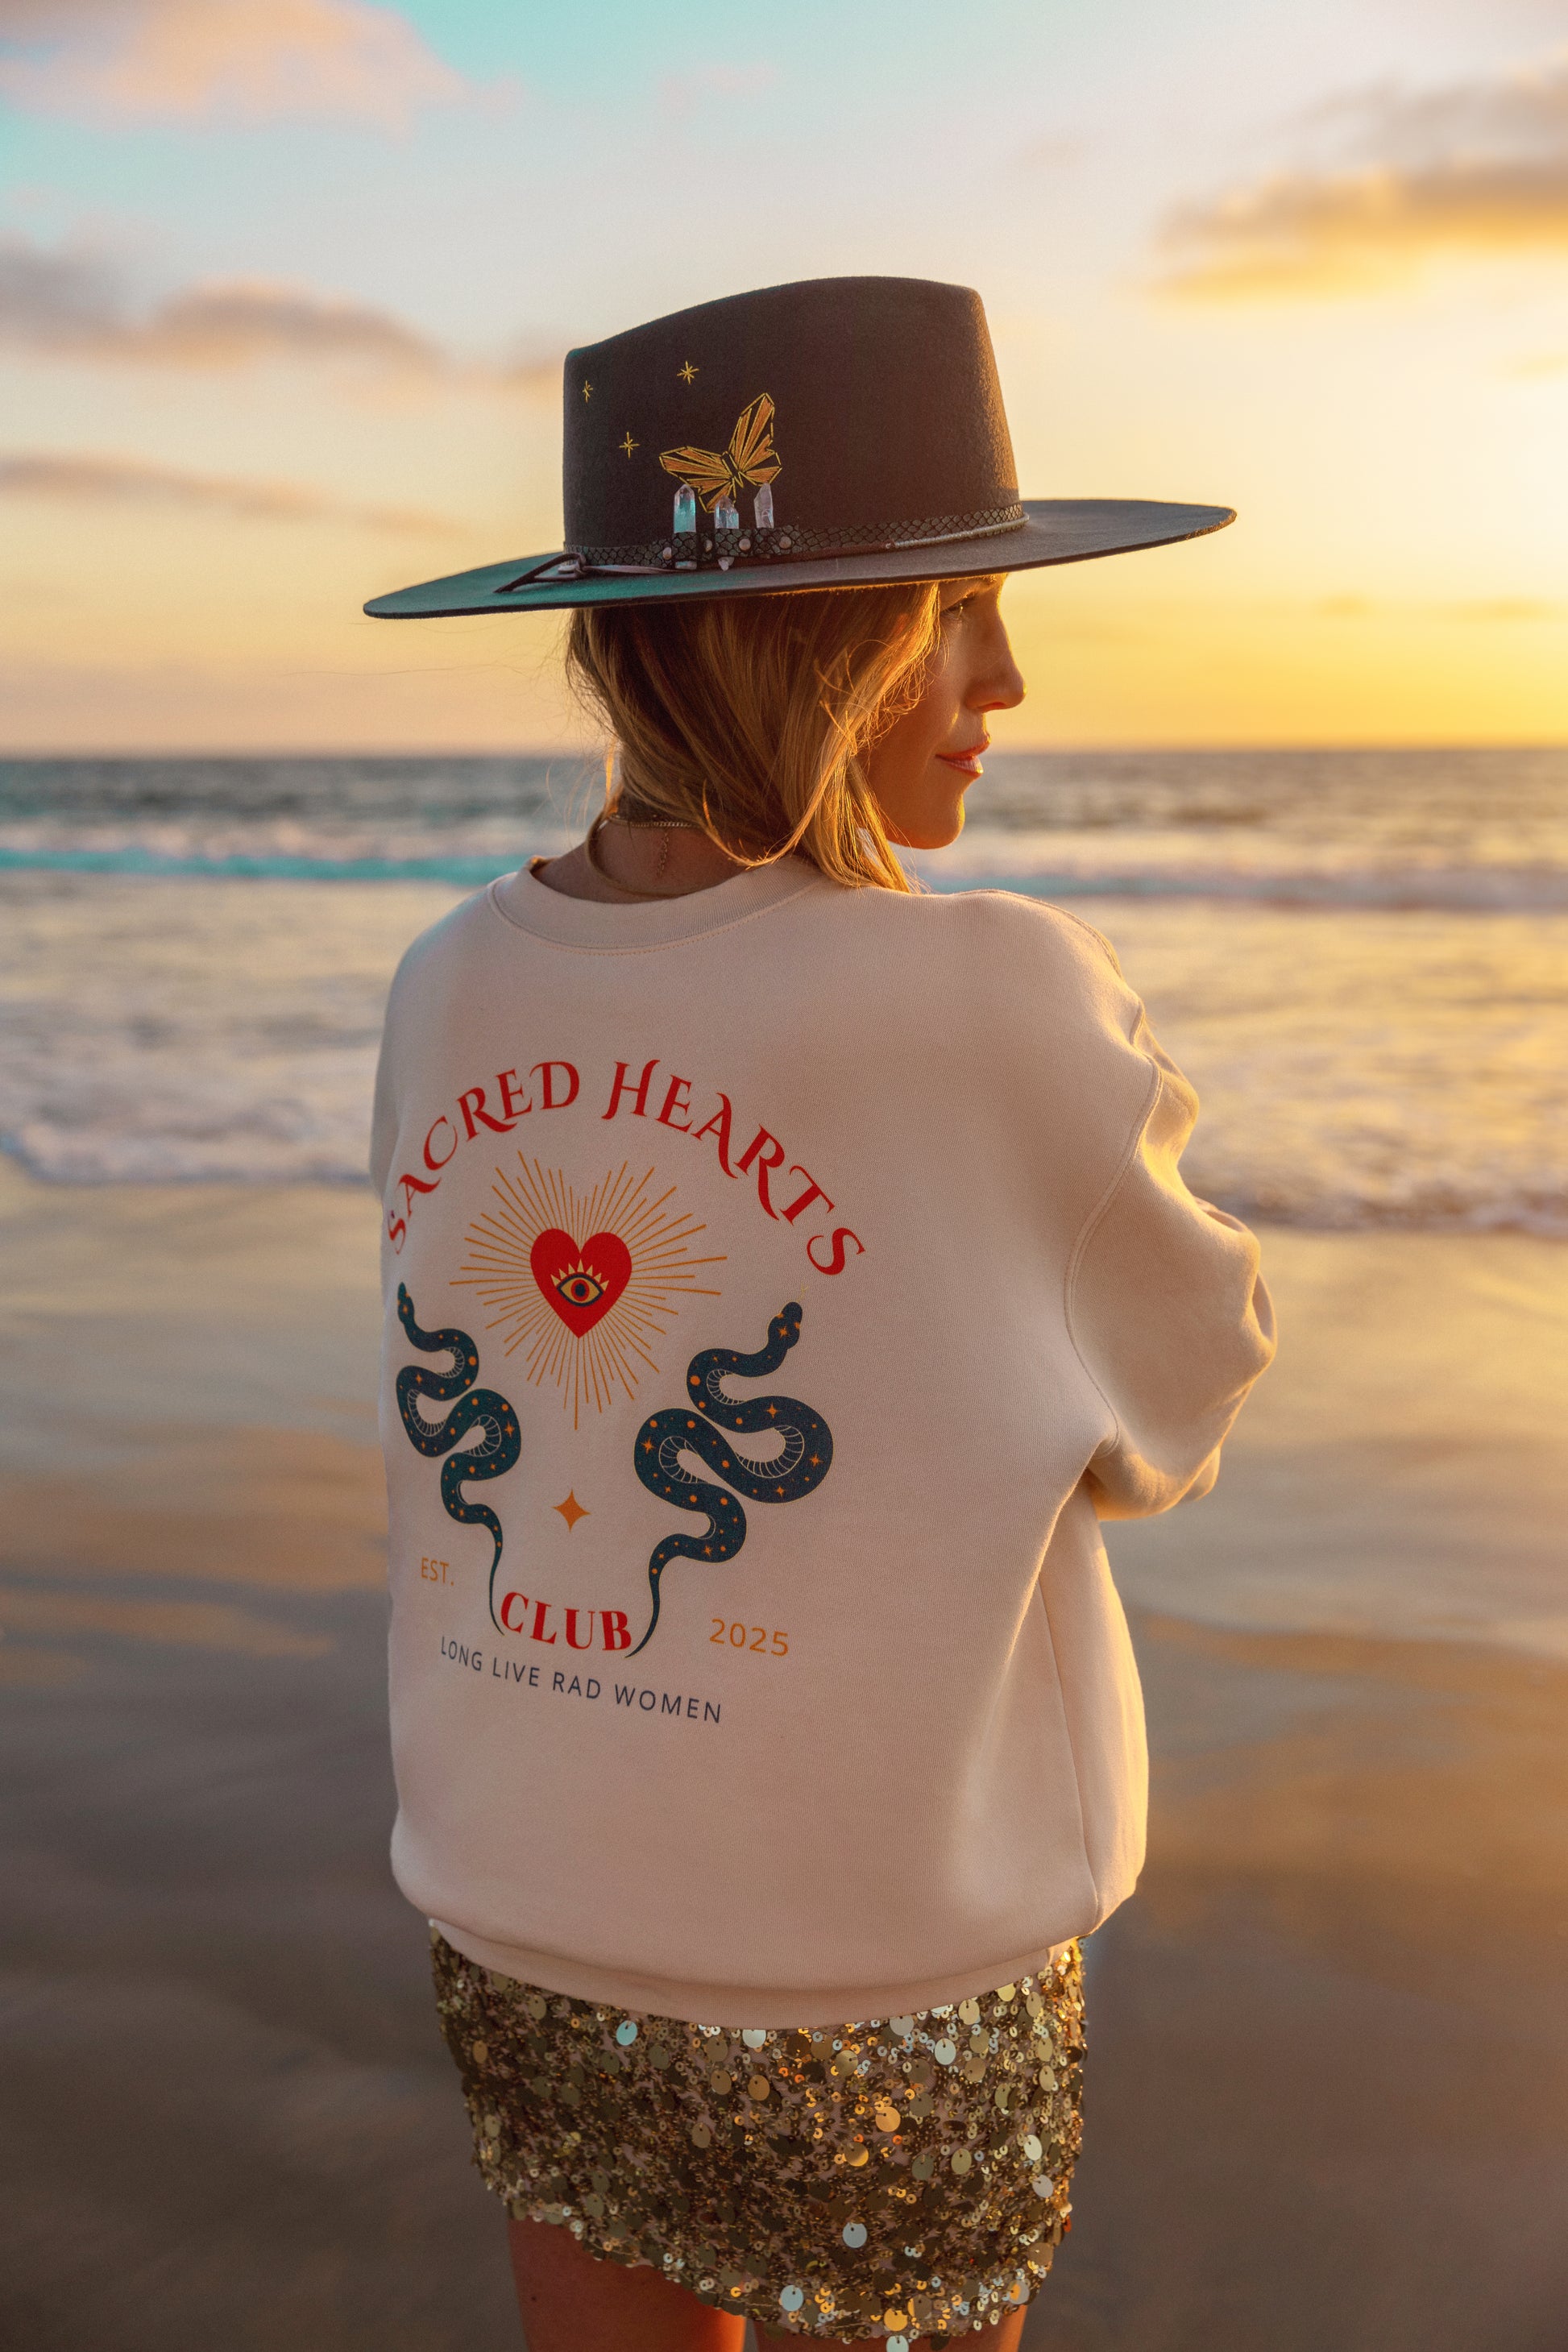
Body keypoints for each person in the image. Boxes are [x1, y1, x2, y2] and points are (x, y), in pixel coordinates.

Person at [365, 276, 1276, 2352]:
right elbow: (1177, 1394)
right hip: (884, 1945)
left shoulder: (445, 983)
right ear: (815, 638)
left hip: (529, 1895)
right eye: (953, 605)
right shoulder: (995, 997)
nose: (1008, 675)